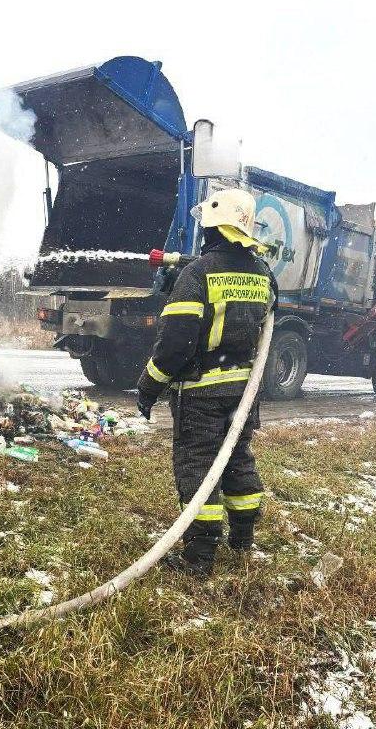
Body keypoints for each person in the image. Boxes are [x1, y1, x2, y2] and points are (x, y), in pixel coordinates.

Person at [136, 187, 277, 577]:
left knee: (197, 465)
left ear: (212, 227)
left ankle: (198, 560)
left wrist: (148, 387)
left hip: (200, 392)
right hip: (242, 393)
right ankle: (243, 542)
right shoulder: (262, 274)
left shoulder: (197, 274)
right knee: (236, 460)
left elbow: (176, 345)